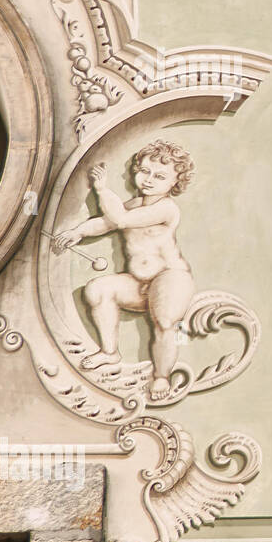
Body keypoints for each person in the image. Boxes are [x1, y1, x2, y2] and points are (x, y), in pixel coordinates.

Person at [54, 141, 196, 401]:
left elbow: (119, 219)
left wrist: (101, 189)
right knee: (98, 290)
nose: (149, 179)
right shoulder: (135, 204)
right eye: (144, 171)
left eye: (160, 176)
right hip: (139, 283)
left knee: (164, 323)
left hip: (170, 278)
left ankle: (162, 376)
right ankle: (109, 352)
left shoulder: (166, 208)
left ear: (176, 182)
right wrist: (78, 232)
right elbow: (107, 223)